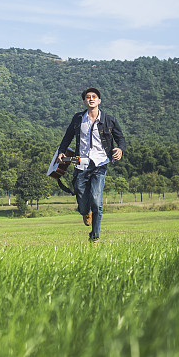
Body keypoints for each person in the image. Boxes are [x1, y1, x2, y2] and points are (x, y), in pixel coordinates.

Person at [58, 87, 126, 244]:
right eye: (88, 97)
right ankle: (85, 211)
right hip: (80, 163)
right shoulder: (78, 119)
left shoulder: (109, 120)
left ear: (99, 100)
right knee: (82, 200)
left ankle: (95, 236)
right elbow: (67, 137)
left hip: (100, 163)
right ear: (84, 101)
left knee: (96, 199)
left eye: (94, 97)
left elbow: (120, 138)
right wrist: (62, 152)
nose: (91, 99)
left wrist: (120, 149)